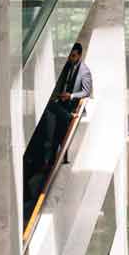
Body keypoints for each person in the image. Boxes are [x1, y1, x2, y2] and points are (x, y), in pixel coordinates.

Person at [38, 41, 92, 170]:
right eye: (70, 56)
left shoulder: (85, 71)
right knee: (53, 127)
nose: (70, 58)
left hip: (71, 105)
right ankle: (49, 161)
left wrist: (71, 95)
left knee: (54, 118)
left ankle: (52, 160)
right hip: (62, 103)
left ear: (79, 56)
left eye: (73, 56)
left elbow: (86, 91)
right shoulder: (68, 66)